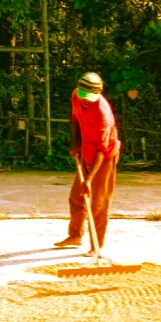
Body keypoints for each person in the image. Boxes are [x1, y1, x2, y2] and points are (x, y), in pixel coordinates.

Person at [54, 72, 122, 256]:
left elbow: (102, 149)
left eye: (90, 98)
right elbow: (75, 120)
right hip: (86, 151)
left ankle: (96, 247)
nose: (86, 101)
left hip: (104, 158)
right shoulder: (76, 95)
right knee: (76, 197)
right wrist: (75, 144)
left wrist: (90, 180)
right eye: (83, 96)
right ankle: (75, 235)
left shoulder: (102, 113)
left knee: (98, 204)